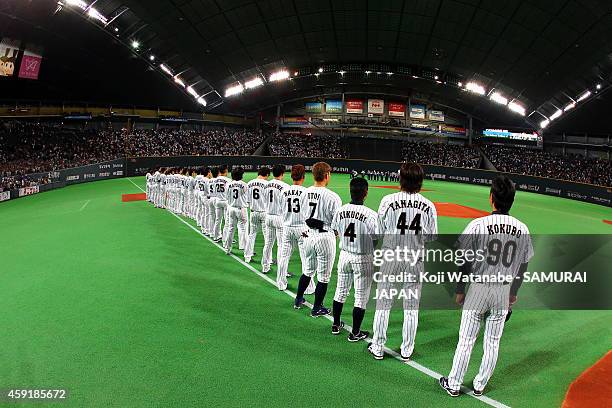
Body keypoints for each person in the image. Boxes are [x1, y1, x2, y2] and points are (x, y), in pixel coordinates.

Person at [439, 175, 533, 398]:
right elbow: (523, 265)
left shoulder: (478, 225)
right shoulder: (522, 229)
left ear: (491, 198)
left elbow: (464, 260)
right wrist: (513, 294)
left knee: (466, 340)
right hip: (503, 290)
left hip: (479, 289)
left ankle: (453, 383)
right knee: (492, 342)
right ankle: (480, 385)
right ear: (512, 200)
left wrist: (460, 290)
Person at [368, 162, 438, 360]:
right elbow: (432, 236)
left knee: (383, 303)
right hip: (415, 258)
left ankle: (378, 346)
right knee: (411, 307)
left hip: (391, 255)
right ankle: (407, 350)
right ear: (420, 182)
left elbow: (378, 231)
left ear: (401, 179)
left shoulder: (387, 200)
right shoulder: (428, 205)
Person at [330, 177, 380, 341]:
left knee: (340, 291)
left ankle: (336, 324)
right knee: (361, 296)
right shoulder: (371, 215)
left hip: (344, 256)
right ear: (365, 193)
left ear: (350, 191)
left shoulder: (340, 210)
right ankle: (356, 333)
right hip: (363, 257)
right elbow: (376, 237)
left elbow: (335, 231)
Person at [294, 162, 342, 317]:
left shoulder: (304, 193)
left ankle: (298, 299)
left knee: (308, 270)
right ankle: (317, 308)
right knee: (324, 276)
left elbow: (303, 216)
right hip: (325, 237)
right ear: (327, 175)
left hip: (308, 235)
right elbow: (337, 223)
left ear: (313, 175)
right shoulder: (333, 196)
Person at [276, 164, 311, 292]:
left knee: (284, 256)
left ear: (291, 176)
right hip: (302, 228)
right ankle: (308, 287)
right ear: (303, 176)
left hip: (287, 227)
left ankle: (281, 283)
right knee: (305, 257)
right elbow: (308, 213)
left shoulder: (283, 191)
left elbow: (280, 210)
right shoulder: (306, 192)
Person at [262, 165, 288, 274]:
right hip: (279, 218)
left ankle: (265, 266)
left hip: (268, 216)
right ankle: (281, 272)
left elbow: (264, 201)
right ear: (282, 174)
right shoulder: (285, 186)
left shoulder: (266, 185)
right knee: (281, 245)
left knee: (268, 243)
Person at [244, 166, 270, 263]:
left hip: (253, 212)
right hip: (264, 213)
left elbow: (247, 200)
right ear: (267, 174)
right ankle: (268, 260)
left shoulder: (250, 183)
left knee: (251, 235)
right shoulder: (268, 184)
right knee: (267, 237)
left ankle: (247, 256)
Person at [223, 167, 249, 255]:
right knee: (243, 230)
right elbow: (247, 198)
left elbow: (226, 197)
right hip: (241, 209)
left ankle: (227, 248)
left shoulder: (228, 184)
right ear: (241, 175)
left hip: (231, 208)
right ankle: (246, 251)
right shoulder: (244, 185)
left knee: (230, 229)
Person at [212, 165, 231, 242]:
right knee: (227, 221)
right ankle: (225, 239)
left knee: (218, 220)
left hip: (217, 200)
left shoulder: (215, 180)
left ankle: (216, 237)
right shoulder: (228, 180)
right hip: (226, 201)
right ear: (226, 171)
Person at [206, 167, 220, 237]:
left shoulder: (208, 181)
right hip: (216, 199)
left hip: (210, 198)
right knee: (217, 218)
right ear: (218, 173)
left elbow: (206, 191)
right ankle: (217, 234)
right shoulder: (218, 180)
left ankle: (211, 232)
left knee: (211, 216)